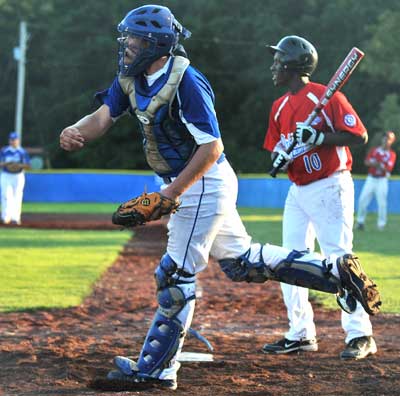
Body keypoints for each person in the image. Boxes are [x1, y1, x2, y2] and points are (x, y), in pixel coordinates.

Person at [60, 9, 380, 391]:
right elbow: (102, 116)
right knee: (241, 262)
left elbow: (211, 148)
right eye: (127, 39)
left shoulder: (187, 82)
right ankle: (335, 272)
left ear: (156, 45)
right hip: (193, 183)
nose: (127, 46)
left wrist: (170, 194)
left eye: (134, 40)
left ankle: (157, 369)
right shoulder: (130, 79)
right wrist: (75, 131)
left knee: (175, 275)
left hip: (201, 182)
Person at [263, 36, 378, 360]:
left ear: (292, 65)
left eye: (278, 60)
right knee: (289, 262)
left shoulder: (328, 96)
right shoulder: (279, 107)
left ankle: (360, 333)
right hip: (297, 190)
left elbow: (359, 135)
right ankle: (300, 334)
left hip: (330, 185)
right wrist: (280, 157)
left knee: (339, 257)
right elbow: (277, 147)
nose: (273, 66)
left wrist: (319, 136)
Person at [356, 131, 397, 231]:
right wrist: (380, 164)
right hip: (371, 178)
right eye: (385, 137)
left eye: (388, 138)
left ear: (392, 141)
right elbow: (367, 162)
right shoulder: (375, 150)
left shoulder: (391, 154)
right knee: (362, 200)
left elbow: (388, 169)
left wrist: (377, 164)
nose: (386, 140)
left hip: (382, 180)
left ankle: (381, 224)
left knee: (382, 203)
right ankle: (360, 222)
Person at [0, 131, 31, 225]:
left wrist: (18, 165)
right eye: (11, 139)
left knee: (17, 196)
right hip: (6, 175)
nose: (13, 141)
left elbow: (28, 165)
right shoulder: (5, 151)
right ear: (9, 140)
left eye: (14, 139)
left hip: (18, 175)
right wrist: (8, 164)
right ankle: (5, 217)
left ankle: (16, 218)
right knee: (5, 195)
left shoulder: (22, 152)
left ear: (18, 140)